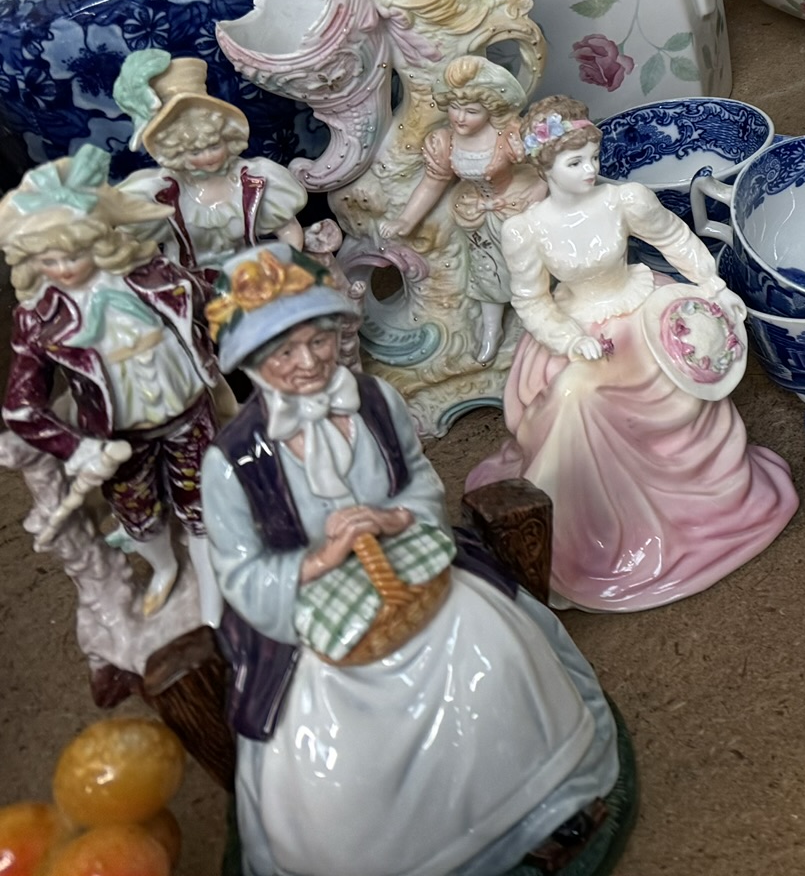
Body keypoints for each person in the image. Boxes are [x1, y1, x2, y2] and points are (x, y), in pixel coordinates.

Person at [200, 245, 621, 876]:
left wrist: (394, 518)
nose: (308, 363)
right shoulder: (231, 464)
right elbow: (241, 576)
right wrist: (322, 558)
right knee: (337, 748)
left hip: (415, 570)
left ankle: (540, 806)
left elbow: (419, 483)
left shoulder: (374, 401)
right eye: (284, 353)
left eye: (317, 341)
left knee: (494, 643)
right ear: (253, 365)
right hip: (316, 624)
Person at [465, 97, 796, 612]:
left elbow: (677, 240)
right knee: (573, 395)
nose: (591, 169)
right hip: (578, 328)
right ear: (545, 167)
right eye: (574, 162)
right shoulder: (525, 230)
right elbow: (530, 299)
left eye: (593, 156)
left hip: (640, 309)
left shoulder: (625, 199)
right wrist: (568, 337)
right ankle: (576, 534)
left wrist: (710, 284)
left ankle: (683, 508)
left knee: (656, 381)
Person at [0, 146, 224, 615]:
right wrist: (80, 449)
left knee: (203, 499)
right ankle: (164, 567)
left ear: (99, 237)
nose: (62, 268)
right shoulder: (39, 320)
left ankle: (212, 588)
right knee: (137, 513)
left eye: (74, 251)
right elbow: (21, 408)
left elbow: (213, 302)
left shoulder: (157, 277)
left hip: (188, 412)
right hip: (119, 437)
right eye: (47, 259)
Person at [382, 55, 546, 364]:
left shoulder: (509, 135)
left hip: (517, 209)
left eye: (471, 111)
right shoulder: (445, 142)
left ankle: (536, 325)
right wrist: (406, 219)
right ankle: (491, 330)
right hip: (477, 216)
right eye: (455, 108)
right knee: (486, 274)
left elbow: (545, 168)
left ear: (490, 109)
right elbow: (432, 183)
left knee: (527, 269)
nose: (460, 117)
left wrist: (537, 194)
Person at [112, 50, 307, 284]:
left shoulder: (256, 180)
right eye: (194, 152)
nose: (207, 157)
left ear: (227, 137)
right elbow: (128, 242)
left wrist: (285, 268)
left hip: (252, 284)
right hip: (187, 288)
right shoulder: (160, 194)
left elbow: (288, 230)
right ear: (175, 152)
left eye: (214, 145)